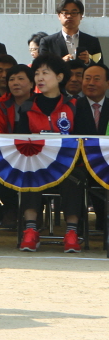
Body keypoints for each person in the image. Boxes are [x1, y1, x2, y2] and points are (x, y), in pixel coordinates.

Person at [4, 55, 82, 253]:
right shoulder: (28, 106)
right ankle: (30, 230)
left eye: (45, 73)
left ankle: (72, 232)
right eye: (37, 73)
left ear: (59, 77)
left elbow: (84, 140)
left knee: (75, 177)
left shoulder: (74, 105)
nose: (40, 77)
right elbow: (19, 142)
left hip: (68, 163)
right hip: (36, 163)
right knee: (29, 171)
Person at [0, 63, 36, 227]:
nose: (15, 83)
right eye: (12, 80)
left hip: (35, 153)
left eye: (21, 79)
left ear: (31, 83)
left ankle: (33, 211)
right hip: (8, 152)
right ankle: (10, 209)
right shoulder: (2, 103)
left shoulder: (39, 103)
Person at [74, 63, 109, 230]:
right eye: (87, 79)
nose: (91, 83)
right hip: (80, 161)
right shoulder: (73, 106)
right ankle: (77, 223)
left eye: (97, 79)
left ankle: (104, 220)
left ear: (107, 83)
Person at [39, 0, 103, 66]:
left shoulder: (92, 41)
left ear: (81, 16)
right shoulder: (47, 42)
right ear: (59, 16)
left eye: (74, 13)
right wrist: (61, 62)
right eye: (65, 13)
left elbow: (100, 66)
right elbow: (42, 67)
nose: (69, 16)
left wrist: (88, 62)